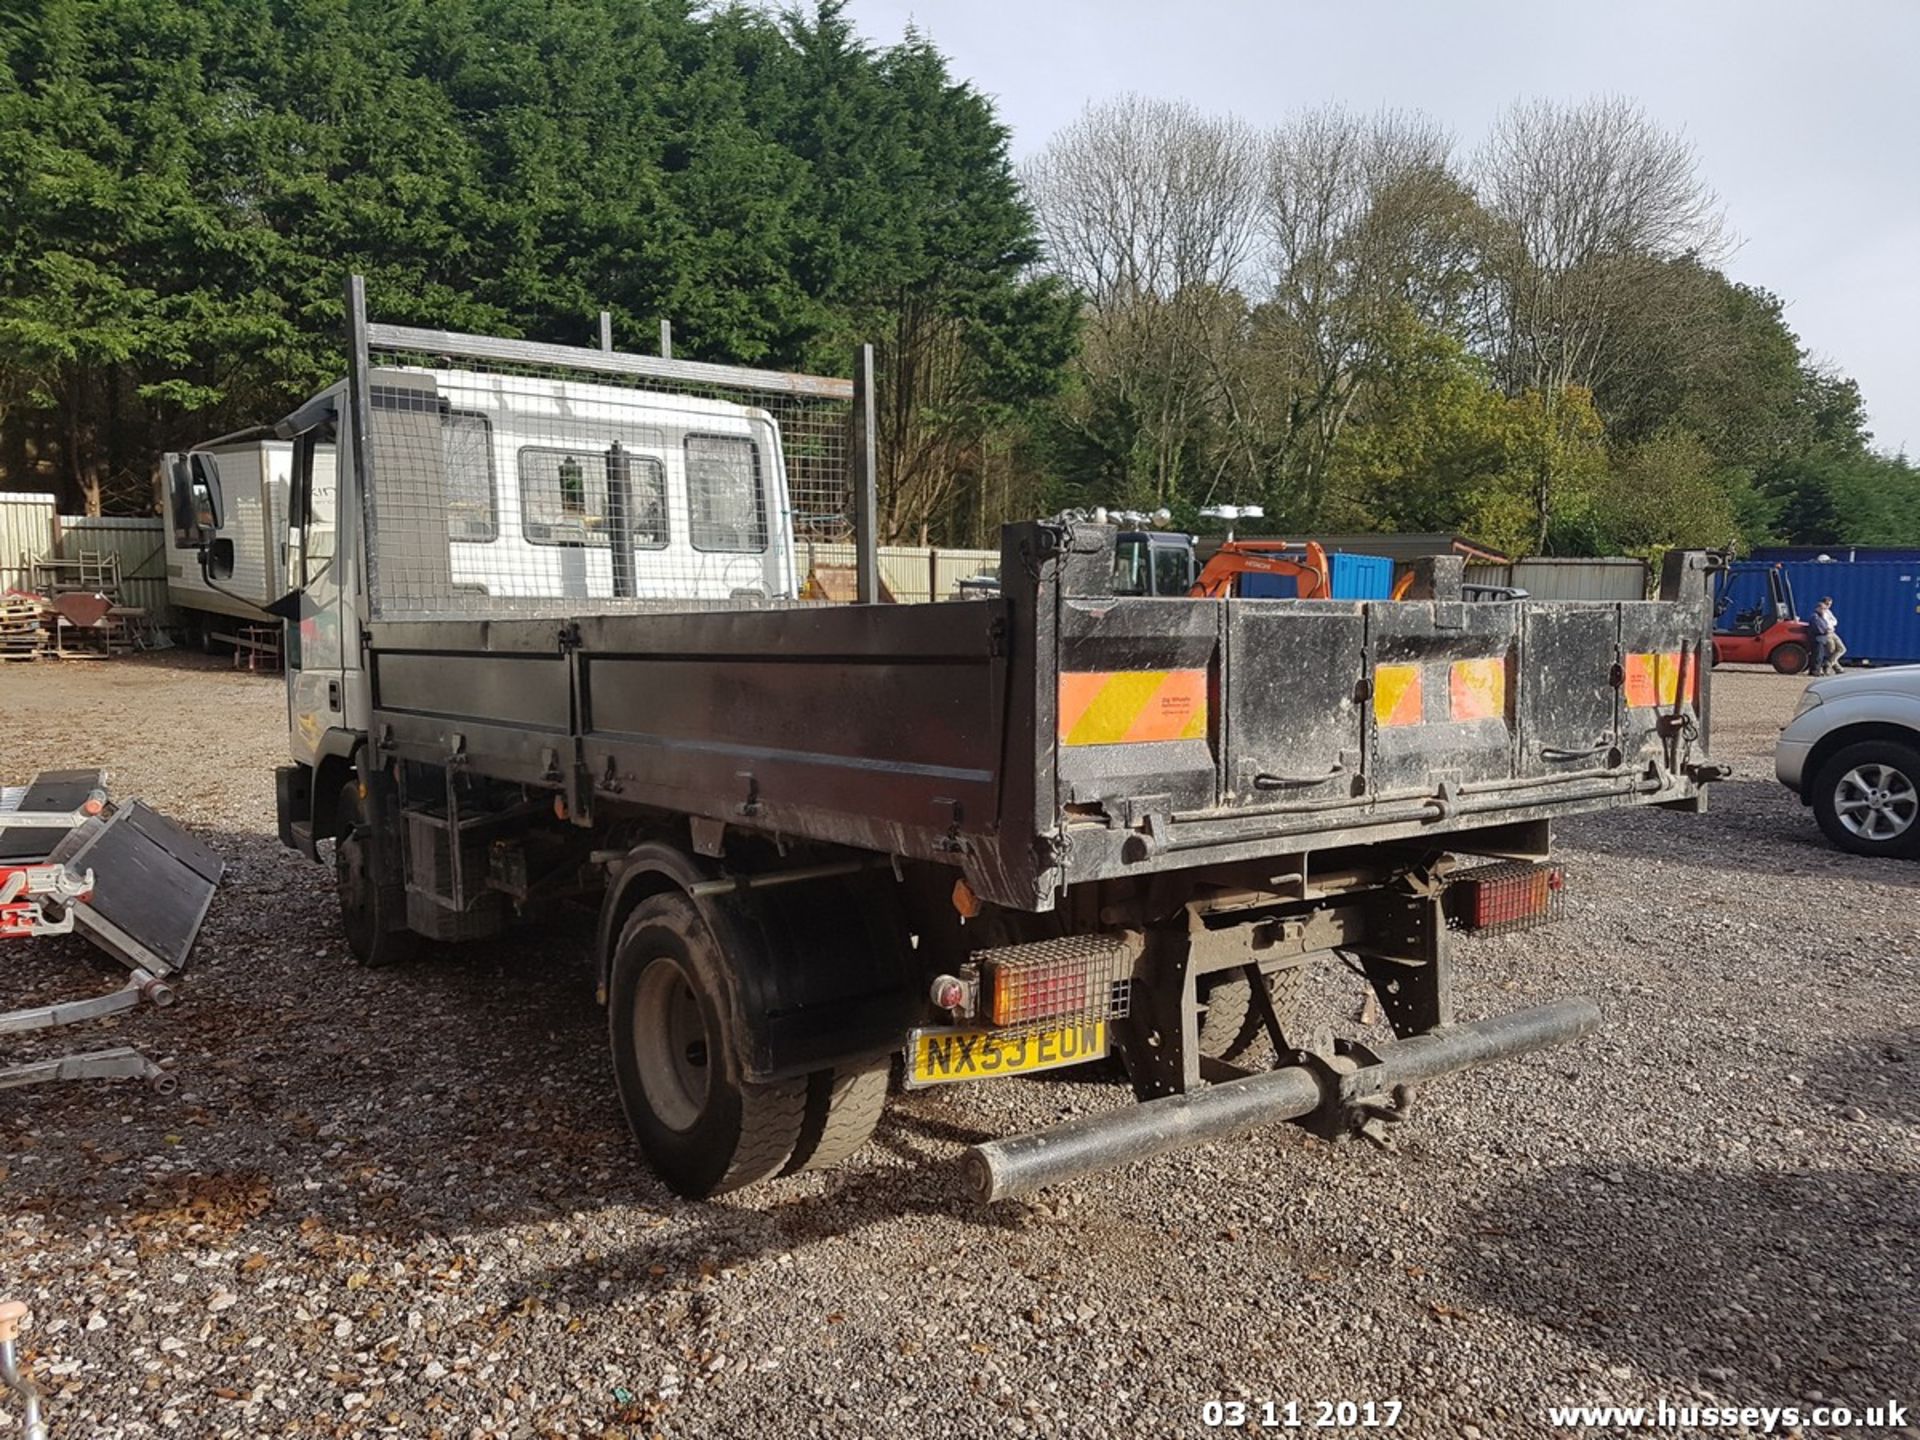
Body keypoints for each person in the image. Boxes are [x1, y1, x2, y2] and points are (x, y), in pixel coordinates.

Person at [1810, 597, 1846, 674]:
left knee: (1842, 649)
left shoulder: (1828, 612)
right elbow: (1822, 624)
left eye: (1829, 604)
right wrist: (1828, 626)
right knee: (1831, 651)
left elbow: (1835, 621)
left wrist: (1830, 624)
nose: (1828, 606)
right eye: (1827, 604)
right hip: (1826, 633)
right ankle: (1837, 669)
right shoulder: (1819, 614)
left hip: (1832, 631)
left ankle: (1828, 663)